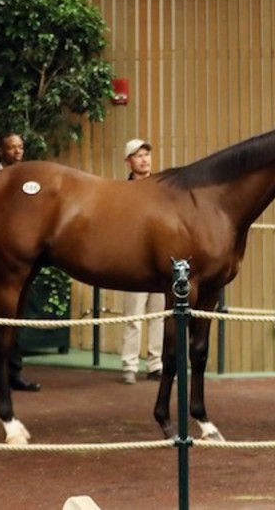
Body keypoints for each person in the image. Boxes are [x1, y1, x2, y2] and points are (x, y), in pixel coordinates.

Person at [0, 132, 41, 393]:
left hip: (24, 258)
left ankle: (14, 372)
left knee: (18, 316)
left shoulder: (32, 180)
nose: (18, 152)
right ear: (1, 151)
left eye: (20, 147)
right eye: (12, 147)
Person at [120, 138, 165, 385]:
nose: (144, 159)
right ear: (128, 161)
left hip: (160, 261)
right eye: (138, 155)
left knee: (158, 314)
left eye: (147, 154)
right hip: (135, 262)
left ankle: (155, 364)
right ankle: (129, 365)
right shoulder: (123, 191)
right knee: (133, 315)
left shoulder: (162, 186)